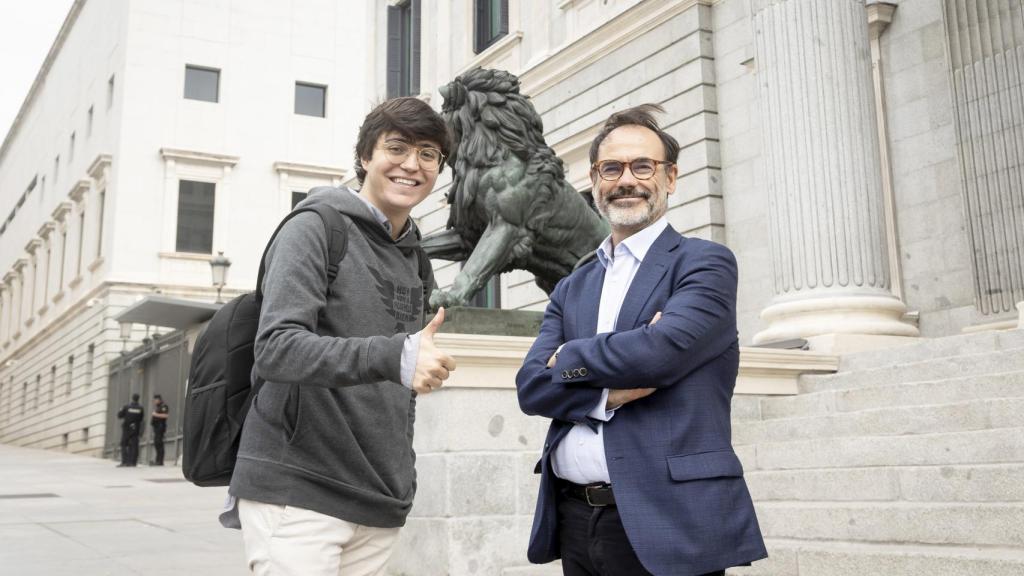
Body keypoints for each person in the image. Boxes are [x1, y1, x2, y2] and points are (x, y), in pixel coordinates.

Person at [516, 104, 767, 576]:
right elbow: (531, 387)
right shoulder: (575, 283)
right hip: (574, 518)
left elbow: (661, 353)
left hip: (670, 518)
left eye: (642, 166)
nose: (626, 179)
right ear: (594, 179)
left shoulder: (704, 264)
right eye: (611, 168)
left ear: (670, 178)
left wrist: (567, 356)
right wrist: (604, 395)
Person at [228, 97, 456, 576]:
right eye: (397, 147)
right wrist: (394, 356)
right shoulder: (315, 228)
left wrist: (402, 479)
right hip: (299, 491)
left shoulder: (416, 257)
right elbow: (276, 348)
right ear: (365, 157)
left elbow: (400, 376)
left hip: (379, 498)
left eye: (429, 154)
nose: (412, 165)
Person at [116, 393, 144, 468]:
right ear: (138, 399)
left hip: (127, 428)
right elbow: (141, 419)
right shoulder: (141, 408)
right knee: (134, 445)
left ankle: (124, 461)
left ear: (132, 398)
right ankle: (133, 462)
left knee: (124, 444)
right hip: (135, 428)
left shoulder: (126, 407)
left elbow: (119, 415)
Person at [149, 394, 169, 466]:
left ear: (159, 399)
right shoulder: (158, 407)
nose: (154, 401)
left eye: (155, 400)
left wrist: (155, 414)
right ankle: (157, 460)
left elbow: (165, 415)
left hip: (160, 427)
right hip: (157, 428)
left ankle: (160, 461)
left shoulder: (163, 406)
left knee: (159, 443)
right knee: (157, 443)